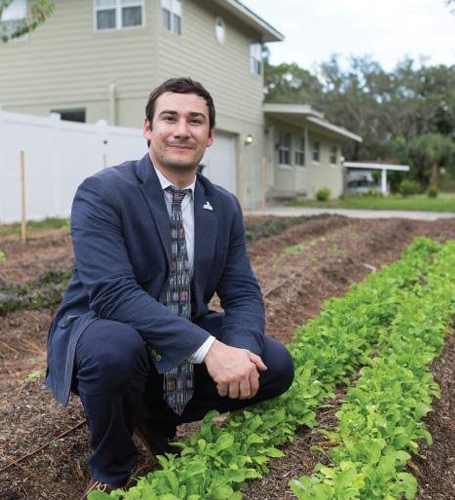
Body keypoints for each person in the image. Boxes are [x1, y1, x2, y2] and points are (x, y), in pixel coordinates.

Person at [44, 77, 294, 498]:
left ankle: (154, 415)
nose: (182, 130)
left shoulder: (223, 205)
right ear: (148, 129)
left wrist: (240, 352)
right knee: (116, 351)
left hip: (182, 326)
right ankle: (112, 470)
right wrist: (211, 351)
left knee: (275, 364)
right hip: (101, 325)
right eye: (169, 118)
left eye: (195, 121)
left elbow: (242, 291)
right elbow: (112, 294)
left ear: (210, 136)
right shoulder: (103, 192)